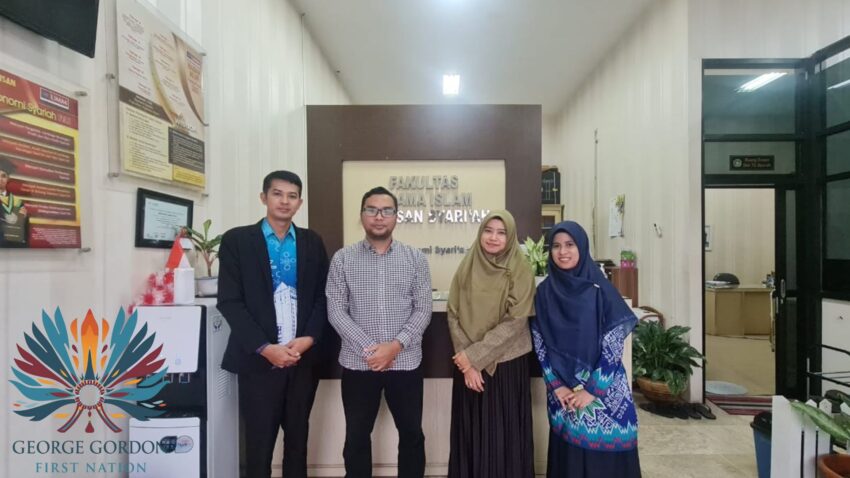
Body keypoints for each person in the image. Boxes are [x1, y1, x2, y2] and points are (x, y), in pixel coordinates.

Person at [217, 170, 329, 478]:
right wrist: (266, 348)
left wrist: (309, 339)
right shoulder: (238, 240)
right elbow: (230, 302)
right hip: (258, 362)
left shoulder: (311, 242)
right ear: (263, 197)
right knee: (258, 445)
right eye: (277, 194)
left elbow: (323, 297)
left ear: (300, 203)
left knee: (297, 443)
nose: (284, 201)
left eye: (292, 196)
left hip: (301, 360)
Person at [326, 186, 432, 478]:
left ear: (396, 216)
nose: (379, 216)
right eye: (371, 210)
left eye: (386, 210)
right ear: (362, 215)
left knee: (411, 434)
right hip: (359, 363)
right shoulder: (343, 259)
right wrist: (373, 350)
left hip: (405, 362)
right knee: (357, 436)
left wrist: (395, 346)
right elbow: (336, 311)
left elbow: (423, 309)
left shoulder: (415, 259)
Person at [530, 220, 641, 477]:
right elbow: (540, 342)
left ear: (581, 247)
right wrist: (556, 386)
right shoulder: (544, 292)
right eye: (556, 246)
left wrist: (592, 390)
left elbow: (614, 344)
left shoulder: (600, 289)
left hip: (604, 394)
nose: (562, 252)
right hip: (562, 395)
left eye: (570, 244)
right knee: (569, 456)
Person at [446, 210, 536, 478]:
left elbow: (516, 321)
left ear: (510, 237)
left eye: (501, 232)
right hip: (467, 367)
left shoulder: (520, 269)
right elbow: (453, 313)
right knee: (470, 432)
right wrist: (467, 362)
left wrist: (473, 358)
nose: (493, 237)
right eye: (488, 230)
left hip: (506, 365)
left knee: (503, 434)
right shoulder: (467, 266)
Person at [0, 158, 28, 247]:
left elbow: (23, 230)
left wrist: (24, 217)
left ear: (8, 179)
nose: (0, 179)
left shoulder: (17, 201)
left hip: (14, 247)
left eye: (3, 176)